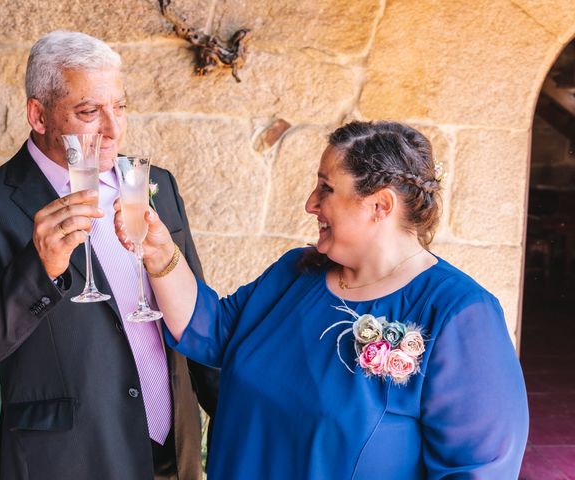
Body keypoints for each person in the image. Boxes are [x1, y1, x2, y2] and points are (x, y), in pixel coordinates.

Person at [115, 121, 529, 479]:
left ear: (379, 205)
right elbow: (210, 330)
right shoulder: (296, 272)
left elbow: (478, 470)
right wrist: (159, 253)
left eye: (326, 189)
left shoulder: (458, 313)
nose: (311, 204)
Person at [0, 30, 218, 480]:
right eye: (89, 111)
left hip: (175, 454)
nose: (112, 128)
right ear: (38, 114)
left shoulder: (156, 184)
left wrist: (236, 420)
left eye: (120, 107)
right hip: (70, 462)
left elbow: (195, 313)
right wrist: (39, 267)